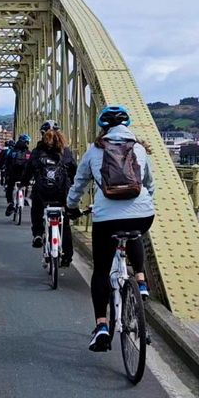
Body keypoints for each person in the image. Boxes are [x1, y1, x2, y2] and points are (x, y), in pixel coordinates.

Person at [66, 105, 155, 352]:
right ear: (127, 126)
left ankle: (102, 326)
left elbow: (79, 183)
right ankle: (141, 279)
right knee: (135, 231)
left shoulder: (95, 150)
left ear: (102, 127)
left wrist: (71, 206)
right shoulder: (138, 148)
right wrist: (146, 204)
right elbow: (150, 183)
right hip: (143, 214)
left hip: (107, 219)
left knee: (102, 271)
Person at [22, 120, 77, 266]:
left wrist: (24, 183)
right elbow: (74, 172)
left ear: (41, 134)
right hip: (62, 193)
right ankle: (67, 256)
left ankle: (38, 234)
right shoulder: (66, 152)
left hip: (42, 193)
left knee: (37, 209)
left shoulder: (37, 152)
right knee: (64, 222)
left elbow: (28, 172)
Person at [4, 134, 31, 216]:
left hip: (13, 175)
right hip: (24, 176)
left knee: (9, 188)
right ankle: (25, 198)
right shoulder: (29, 153)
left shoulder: (12, 152)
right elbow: (32, 165)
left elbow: (7, 163)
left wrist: (7, 173)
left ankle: (10, 203)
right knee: (26, 183)